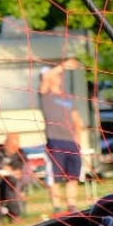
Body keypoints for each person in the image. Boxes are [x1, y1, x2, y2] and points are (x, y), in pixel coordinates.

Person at [38, 59, 86, 214]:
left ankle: (72, 207)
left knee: (73, 176)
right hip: (55, 141)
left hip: (71, 141)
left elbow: (77, 119)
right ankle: (57, 208)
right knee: (56, 177)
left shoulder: (67, 98)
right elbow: (45, 78)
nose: (55, 77)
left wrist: (78, 138)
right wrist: (63, 66)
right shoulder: (45, 95)